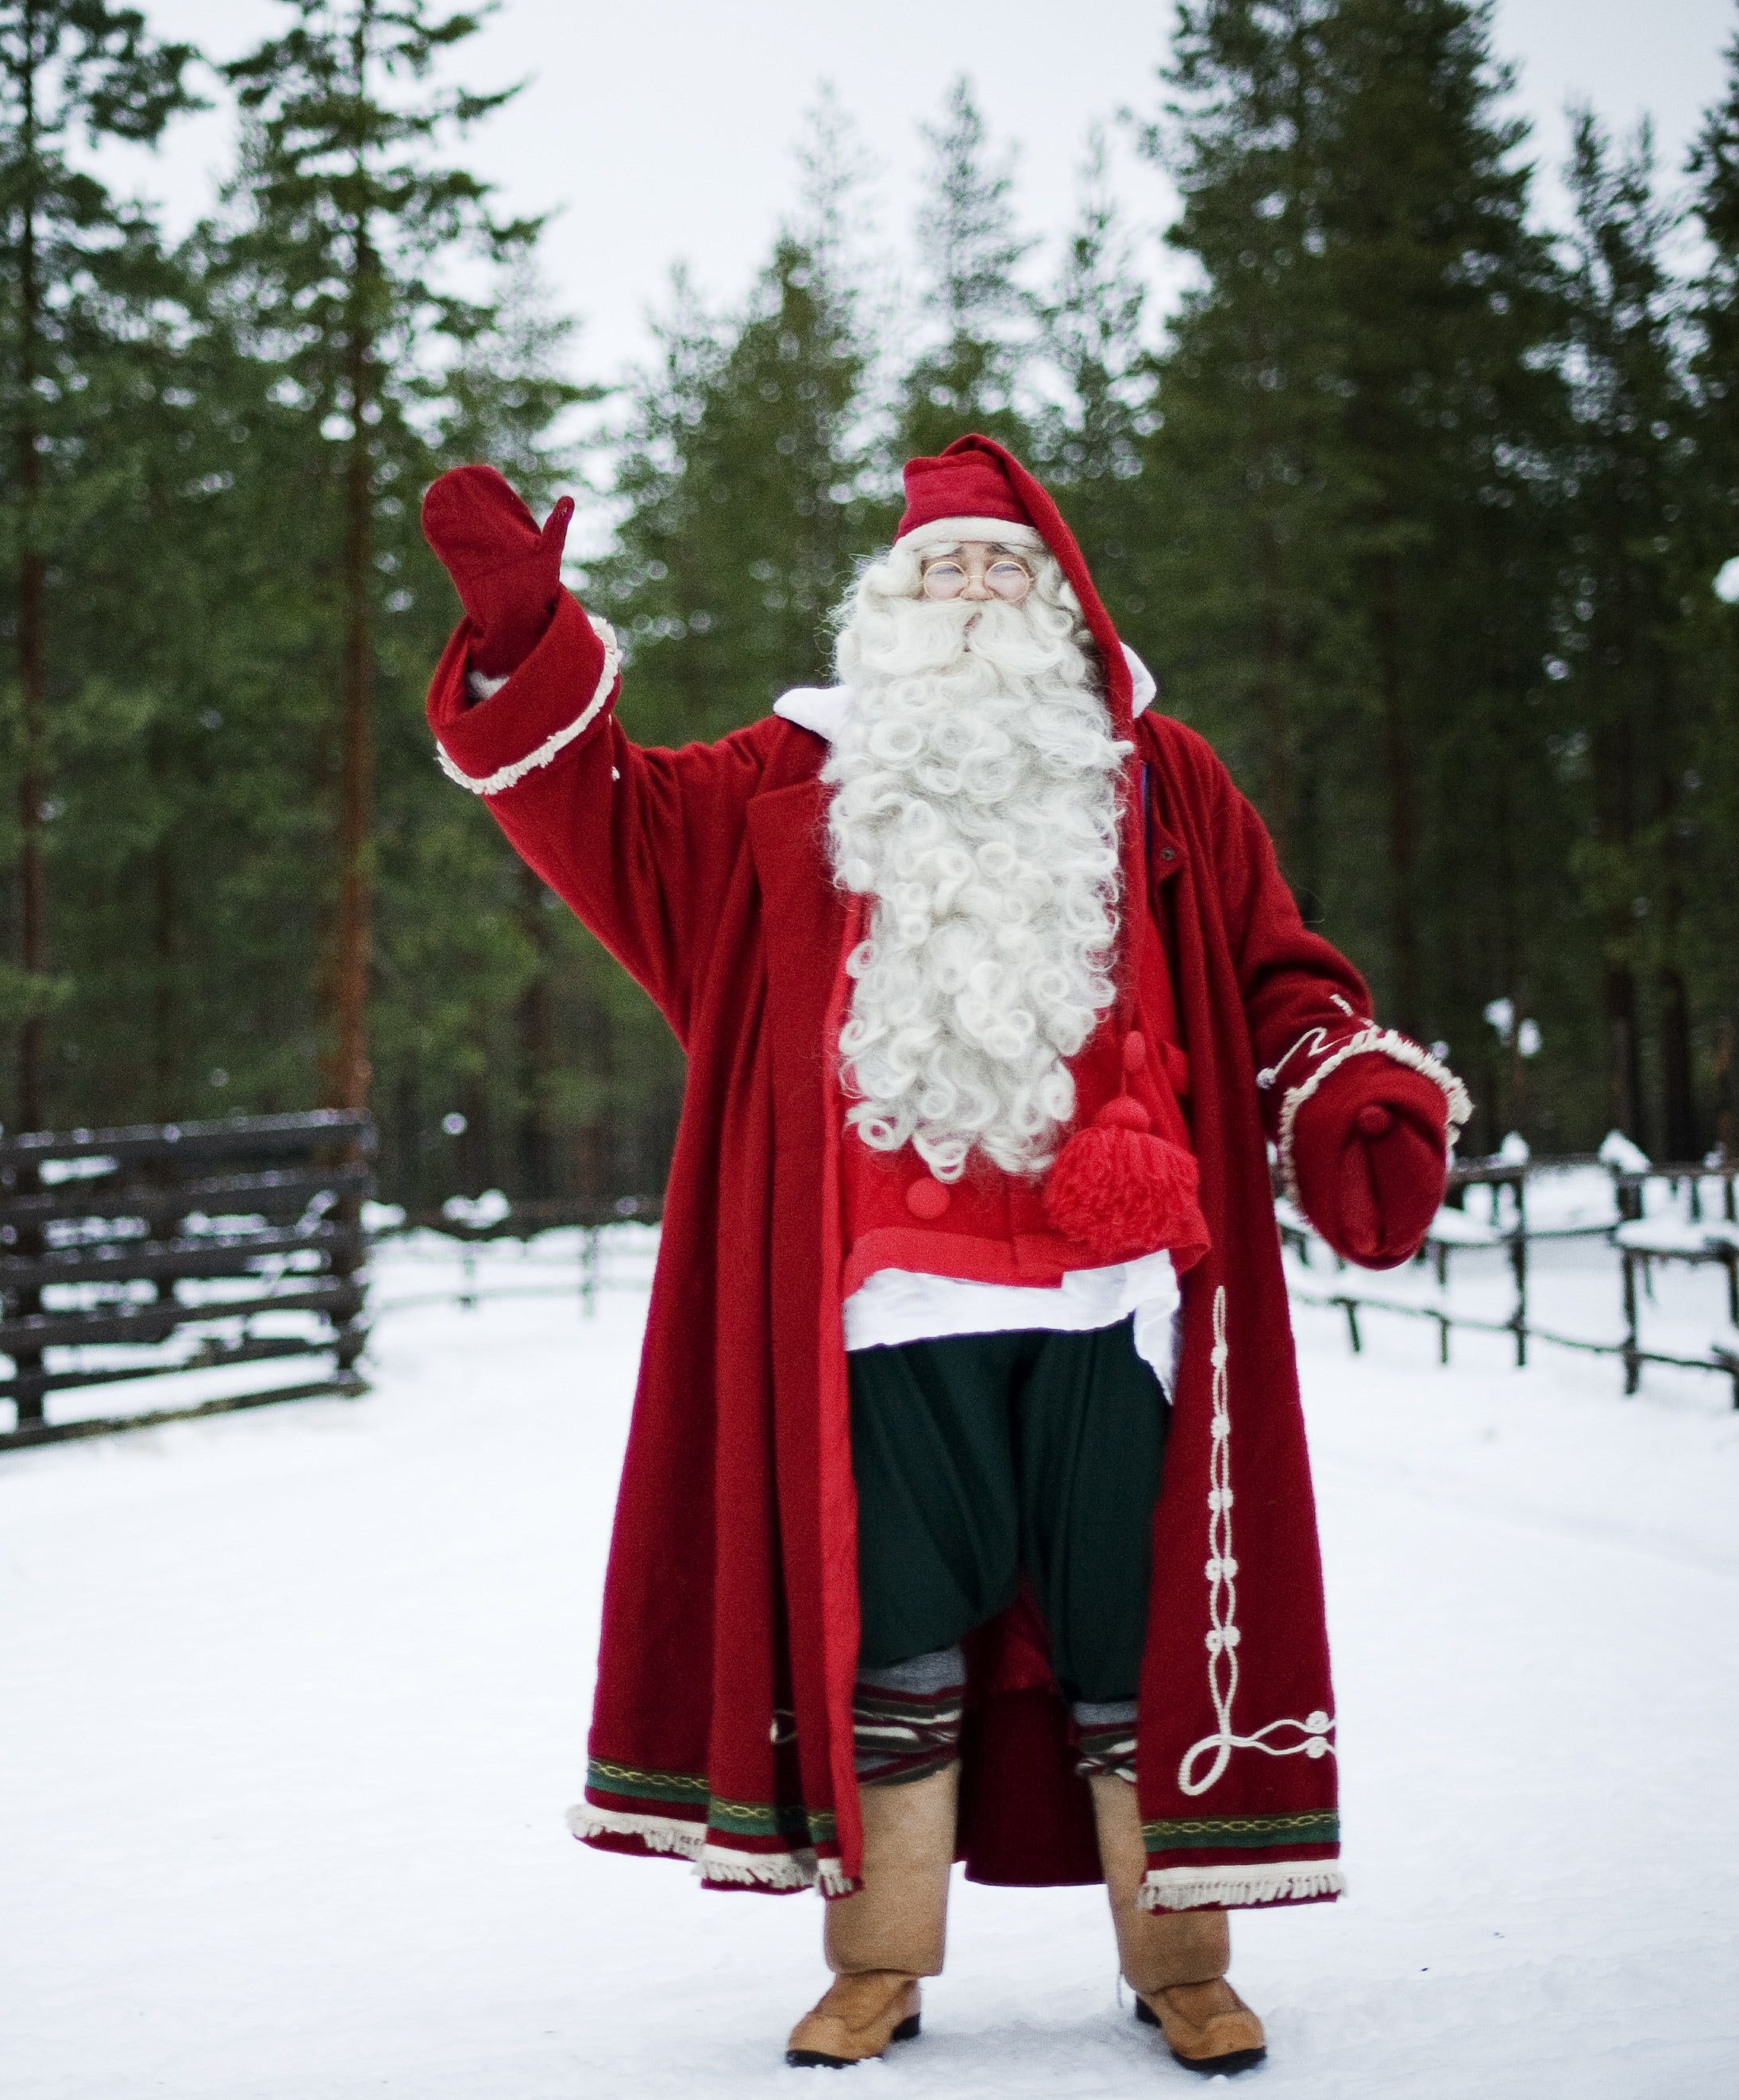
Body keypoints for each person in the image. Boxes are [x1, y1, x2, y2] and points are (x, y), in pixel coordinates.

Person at [416, 436, 1469, 2076]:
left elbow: (1276, 972)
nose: (970, 596)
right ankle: (878, 1962)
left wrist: (1345, 1078)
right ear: (884, 607)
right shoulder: (787, 781)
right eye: (939, 573)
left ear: (1056, 609)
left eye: (1002, 572)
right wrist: (517, 640)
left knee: (1133, 1635)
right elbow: (596, 817)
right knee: (891, 1633)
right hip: (882, 1298)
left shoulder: (1158, 776)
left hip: (1114, 1295)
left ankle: (1178, 1958)